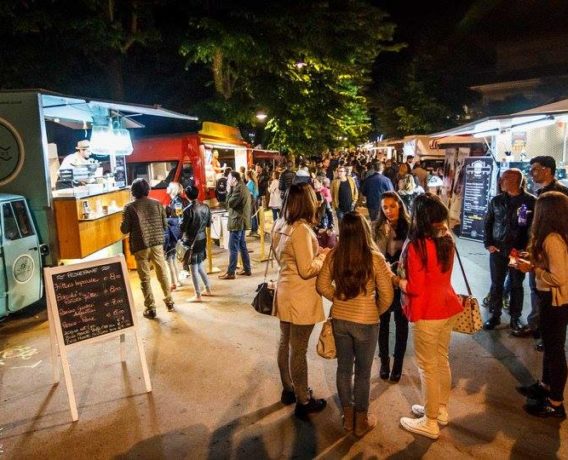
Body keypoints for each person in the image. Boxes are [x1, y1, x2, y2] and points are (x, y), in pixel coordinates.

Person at [317, 212, 394, 436]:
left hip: (340, 320)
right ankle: (361, 422)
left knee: (343, 369)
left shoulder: (334, 255)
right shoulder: (375, 258)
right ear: (364, 231)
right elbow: (387, 295)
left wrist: (339, 299)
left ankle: (348, 418)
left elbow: (322, 285)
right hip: (366, 322)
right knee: (362, 372)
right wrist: (373, 310)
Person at [398, 193, 463, 439]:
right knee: (441, 360)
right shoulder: (447, 239)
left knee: (427, 367)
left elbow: (414, 287)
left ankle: (430, 421)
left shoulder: (416, 246)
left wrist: (398, 280)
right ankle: (439, 410)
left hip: (427, 311)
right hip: (447, 306)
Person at [271, 183, 330, 418]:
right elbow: (307, 269)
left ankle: (288, 388)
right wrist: (323, 257)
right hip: (301, 296)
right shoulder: (301, 230)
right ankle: (303, 400)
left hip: (284, 290)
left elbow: (282, 258)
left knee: (285, 342)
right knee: (299, 349)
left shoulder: (280, 224)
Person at [516, 192, 568, 418]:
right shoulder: (555, 237)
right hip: (552, 299)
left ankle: (556, 403)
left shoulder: (553, 239)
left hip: (555, 300)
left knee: (555, 349)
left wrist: (533, 270)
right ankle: (546, 387)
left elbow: (559, 277)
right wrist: (535, 261)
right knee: (549, 344)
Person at [483, 168, 536, 333]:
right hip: (498, 249)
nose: (502, 182)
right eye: (502, 179)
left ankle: (515, 318)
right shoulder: (496, 201)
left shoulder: (531, 201)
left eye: (506, 179)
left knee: (516, 284)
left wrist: (528, 250)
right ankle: (495, 315)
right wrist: (488, 243)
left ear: (517, 181)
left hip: (518, 251)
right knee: (496, 284)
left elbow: (533, 228)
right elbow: (488, 222)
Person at [524, 156, 568, 346]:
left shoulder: (560, 195)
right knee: (536, 290)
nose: (531, 173)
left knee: (549, 295)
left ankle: (547, 334)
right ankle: (538, 327)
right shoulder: (537, 192)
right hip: (539, 250)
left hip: (552, 251)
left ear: (547, 170)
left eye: (535, 169)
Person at [120, 178, 175, 319]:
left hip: (140, 245)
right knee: (162, 272)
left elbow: (124, 229)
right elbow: (164, 225)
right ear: (147, 190)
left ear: (133, 191)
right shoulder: (157, 204)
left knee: (145, 278)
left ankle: (150, 308)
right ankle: (169, 301)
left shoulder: (129, 207)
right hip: (157, 243)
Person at [373, 191, 410, 382]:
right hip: (384, 281)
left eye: (392, 206)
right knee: (383, 323)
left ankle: (398, 365)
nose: (388, 211)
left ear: (400, 206)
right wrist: (385, 236)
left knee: (402, 324)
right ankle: (385, 362)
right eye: (385, 207)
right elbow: (375, 255)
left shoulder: (409, 226)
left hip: (403, 281)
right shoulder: (377, 227)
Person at [180, 185, 212, 302]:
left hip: (191, 241)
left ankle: (198, 295)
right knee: (200, 266)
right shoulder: (206, 207)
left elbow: (183, 228)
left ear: (186, 195)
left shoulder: (187, 210)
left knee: (193, 268)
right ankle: (208, 289)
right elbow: (208, 224)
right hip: (202, 239)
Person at [219, 171, 252, 279]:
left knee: (233, 247)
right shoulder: (242, 187)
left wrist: (228, 191)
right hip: (240, 221)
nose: (227, 181)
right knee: (242, 246)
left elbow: (230, 204)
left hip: (237, 221)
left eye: (229, 178)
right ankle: (247, 269)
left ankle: (231, 272)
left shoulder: (238, 189)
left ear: (234, 179)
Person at [164, 206, 182, 290]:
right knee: (175, 263)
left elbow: (166, 237)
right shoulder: (176, 221)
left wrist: (164, 249)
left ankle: (173, 283)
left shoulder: (165, 223)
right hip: (175, 244)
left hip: (169, 246)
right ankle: (178, 281)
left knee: (169, 265)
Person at [246, 170, 260, 237]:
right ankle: (253, 229)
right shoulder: (252, 181)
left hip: (252, 200)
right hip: (253, 199)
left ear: (248, 175)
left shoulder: (251, 182)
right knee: (252, 214)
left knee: (252, 215)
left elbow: (251, 192)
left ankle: (254, 229)